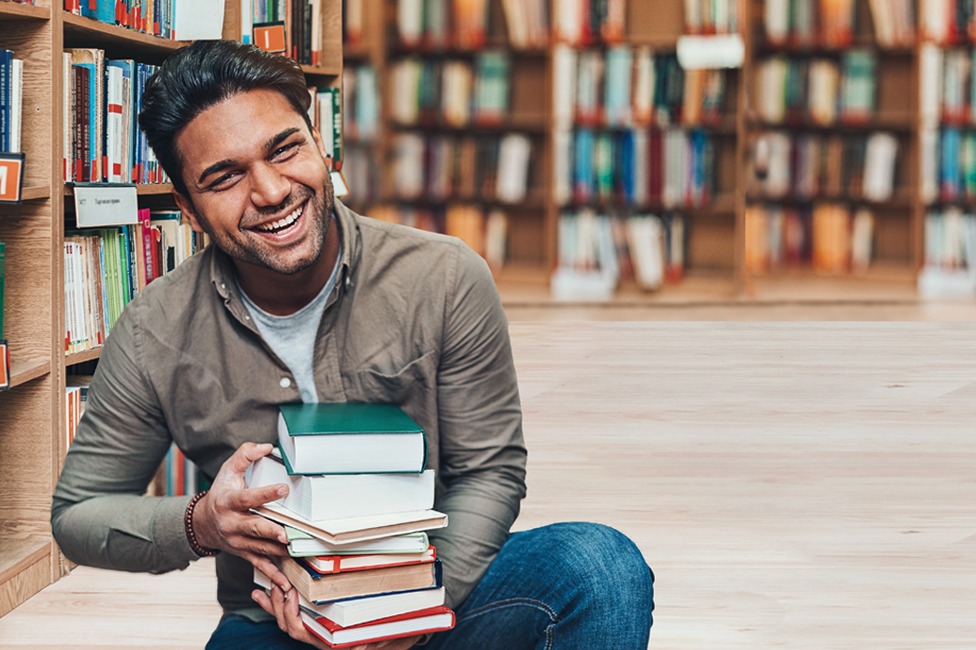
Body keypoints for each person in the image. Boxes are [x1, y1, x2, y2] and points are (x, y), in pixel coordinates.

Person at [50, 40, 654, 649]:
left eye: (284, 149)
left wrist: (409, 610)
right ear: (185, 206)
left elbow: (489, 471)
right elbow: (78, 515)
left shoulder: (444, 277)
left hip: (440, 587)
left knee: (598, 565)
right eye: (225, 177)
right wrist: (200, 523)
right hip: (276, 619)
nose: (270, 191)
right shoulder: (154, 329)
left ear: (321, 143)